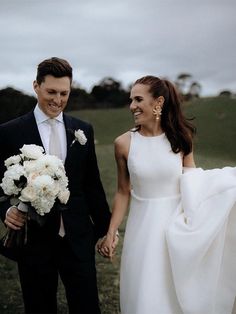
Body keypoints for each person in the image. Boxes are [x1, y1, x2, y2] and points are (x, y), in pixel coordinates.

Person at [98, 76, 236, 314]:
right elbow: (123, 191)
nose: (132, 106)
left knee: (170, 297)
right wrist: (111, 231)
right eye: (131, 99)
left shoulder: (181, 139)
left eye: (139, 99)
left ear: (158, 102)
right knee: (144, 295)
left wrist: (225, 188)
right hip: (141, 230)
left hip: (175, 229)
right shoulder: (123, 143)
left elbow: (194, 182)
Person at [0, 57, 113, 314]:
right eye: (51, 92)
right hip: (35, 241)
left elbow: (92, 184)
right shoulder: (9, 132)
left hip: (78, 237)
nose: (58, 100)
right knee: (39, 307)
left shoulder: (82, 130)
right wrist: (7, 212)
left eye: (64, 93)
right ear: (36, 86)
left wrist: (106, 229)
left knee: (87, 307)